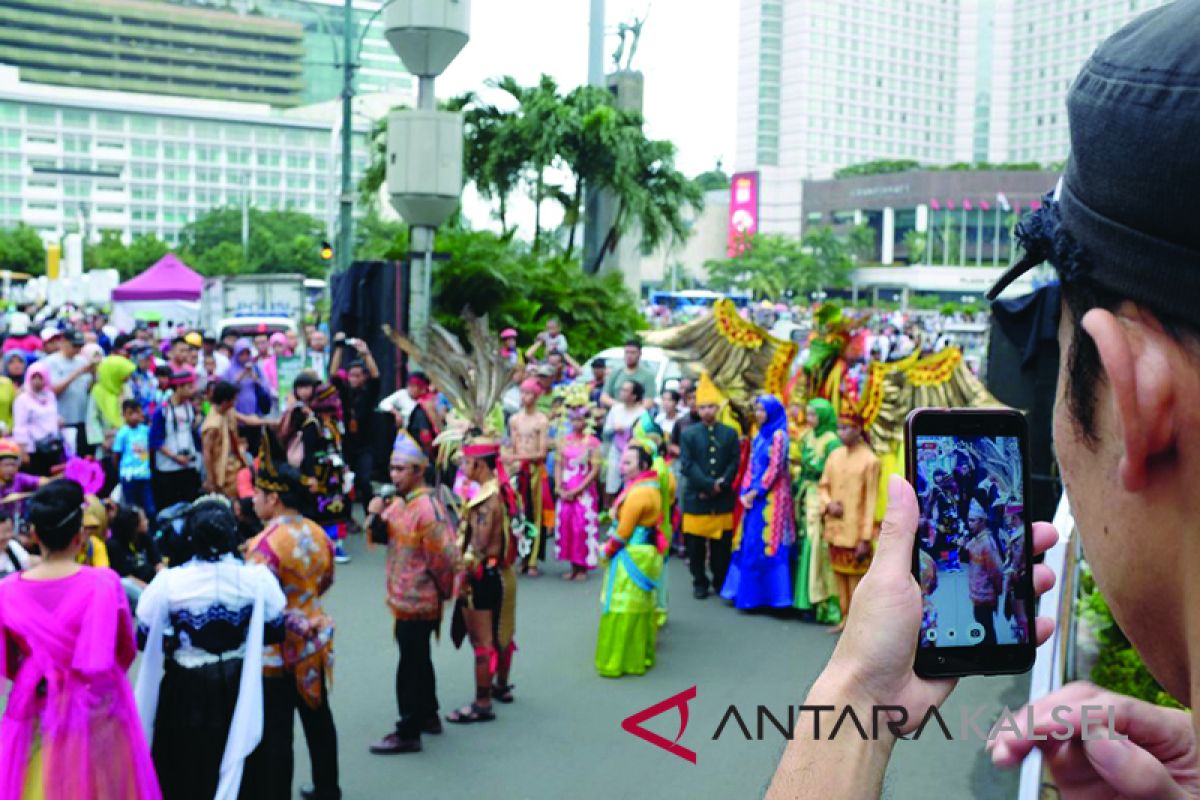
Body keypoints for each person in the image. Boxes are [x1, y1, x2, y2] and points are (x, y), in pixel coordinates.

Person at [0, 479, 161, 798]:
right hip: (96, 714)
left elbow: (7, 664)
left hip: (37, 712)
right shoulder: (104, 583)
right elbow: (123, 651)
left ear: (34, 535)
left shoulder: (6, 592)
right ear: (80, 535)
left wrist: (44, 674)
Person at [135, 496, 286, 800]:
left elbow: (145, 635)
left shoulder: (169, 583)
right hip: (242, 684)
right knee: (247, 764)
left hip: (186, 688)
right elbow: (275, 629)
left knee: (187, 766)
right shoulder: (256, 578)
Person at [244, 445, 340, 800]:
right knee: (319, 719)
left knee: (278, 732)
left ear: (274, 498)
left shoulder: (264, 544)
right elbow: (326, 579)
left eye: (258, 493)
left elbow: (258, 602)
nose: (253, 499)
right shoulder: (318, 533)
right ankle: (328, 787)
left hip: (276, 652)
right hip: (314, 642)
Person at [367, 432, 458, 755]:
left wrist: (442, 591)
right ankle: (429, 714)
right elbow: (379, 534)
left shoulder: (427, 509)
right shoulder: (400, 503)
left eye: (400, 469)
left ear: (419, 471)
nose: (394, 475)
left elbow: (446, 558)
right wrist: (375, 511)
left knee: (410, 664)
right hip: (403, 597)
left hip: (419, 600)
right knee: (419, 659)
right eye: (392, 469)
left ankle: (408, 729)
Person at [447, 437, 519, 722]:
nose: (463, 467)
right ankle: (500, 686)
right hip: (502, 572)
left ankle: (482, 702)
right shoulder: (502, 490)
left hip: (482, 574)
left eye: (465, 462)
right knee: (503, 631)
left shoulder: (486, 500)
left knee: (482, 640)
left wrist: (456, 568)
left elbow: (478, 544)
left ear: (478, 463)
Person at [595, 443, 669, 678]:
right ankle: (640, 655)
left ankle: (618, 660)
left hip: (632, 554)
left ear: (643, 465)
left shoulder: (639, 493)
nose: (621, 466)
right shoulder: (649, 486)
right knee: (640, 609)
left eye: (627, 463)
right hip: (645, 552)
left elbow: (622, 533)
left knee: (622, 608)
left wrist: (605, 552)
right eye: (622, 461)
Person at [721, 395, 795, 609]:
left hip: (773, 500)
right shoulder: (759, 435)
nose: (759, 414)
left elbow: (775, 469)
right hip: (753, 497)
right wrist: (745, 491)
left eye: (763, 410)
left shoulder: (779, 435)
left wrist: (756, 492)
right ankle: (747, 594)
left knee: (770, 543)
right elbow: (752, 466)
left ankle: (774, 598)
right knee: (750, 541)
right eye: (758, 410)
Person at [678, 372, 740, 599]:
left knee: (721, 547)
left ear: (718, 408)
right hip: (697, 498)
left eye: (711, 407)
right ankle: (699, 581)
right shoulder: (689, 434)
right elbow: (687, 465)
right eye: (702, 407)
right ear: (696, 409)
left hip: (722, 498)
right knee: (695, 546)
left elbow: (734, 461)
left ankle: (720, 579)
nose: (707, 412)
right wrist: (707, 485)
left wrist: (721, 483)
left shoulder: (730, 433)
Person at [818, 409, 880, 632]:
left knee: (857, 583)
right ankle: (845, 618)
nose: (842, 433)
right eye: (839, 428)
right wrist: (827, 504)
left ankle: (858, 625)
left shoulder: (870, 460)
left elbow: (872, 501)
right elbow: (822, 486)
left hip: (856, 533)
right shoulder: (834, 456)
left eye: (847, 428)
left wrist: (866, 537)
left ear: (858, 430)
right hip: (835, 529)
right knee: (839, 578)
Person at [792, 399, 843, 623]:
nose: (809, 419)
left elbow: (834, 474)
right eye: (808, 414)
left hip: (820, 499)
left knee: (816, 547)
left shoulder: (832, 442)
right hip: (805, 496)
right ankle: (804, 600)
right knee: (805, 544)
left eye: (814, 415)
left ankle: (819, 602)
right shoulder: (807, 436)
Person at [330, 335, 381, 520]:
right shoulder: (344, 392)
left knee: (364, 480)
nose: (354, 379)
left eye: (358, 375)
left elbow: (376, 376)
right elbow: (334, 374)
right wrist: (339, 348)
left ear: (363, 377)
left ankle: (371, 516)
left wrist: (365, 353)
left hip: (365, 444)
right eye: (351, 375)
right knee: (345, 482)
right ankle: (347, 517)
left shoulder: (368, 392)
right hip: (346, 443)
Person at [301, 383, 352, 564]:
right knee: (320, 510)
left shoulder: (333, 424)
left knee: (337, 508)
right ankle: (320, 544)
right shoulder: (311, 425)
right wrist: (311, 477)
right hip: (320, 476)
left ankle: (335, 543)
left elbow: (339, 447)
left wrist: (345, 468)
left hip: (335, 475)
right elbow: (308, 454)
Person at [506, 378, 552, 576]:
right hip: (518, 470)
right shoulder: (514, 419)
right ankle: (520, 555)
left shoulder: (541, 420)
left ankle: (532, 559)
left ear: (537, 395)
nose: (524, 397)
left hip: (534, 471)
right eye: (522, 393)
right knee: (518, 514)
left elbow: (542, 453)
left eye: (529, 393)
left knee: (534, 513)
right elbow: (513, 445)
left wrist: (516, 457)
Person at [554, 400, 602, 581]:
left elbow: (594, 471)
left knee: (582, 526)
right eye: (573, 420)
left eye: (580, 420)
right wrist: (559, 487)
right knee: (566, 525)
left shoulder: (592, 443)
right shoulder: (563, 442)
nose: (576, 424)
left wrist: (578, 489)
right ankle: (572, 565)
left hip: (584, 491)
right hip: (566, 488)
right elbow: (559, 465)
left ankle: (582, 567)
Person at [149, 370, 202, 512]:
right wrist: (175, 457)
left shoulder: (190, 407)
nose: (193, 390)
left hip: (188, 465)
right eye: (189, 387)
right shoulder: (162, 411)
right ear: (178, 388)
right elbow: (155, 440)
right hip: (169, 468)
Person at [43, 330, 95, 456]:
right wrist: (77, 373)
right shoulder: (50, 362)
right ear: (64, 342)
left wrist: (94, 375)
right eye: (74, 346)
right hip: (62, 419)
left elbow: (87, 389)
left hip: (82, 418)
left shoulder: (82, 361)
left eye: (80, 346)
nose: (77, 349)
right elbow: (53, 390)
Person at [107, 504, 162, 609]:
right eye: (144, 519)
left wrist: (163, 582)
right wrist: (151, 590)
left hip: (154, 584)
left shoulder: (145, 537)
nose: (147, 521)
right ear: (134, 525)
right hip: (136, 589)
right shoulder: (114, 546)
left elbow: (157, 562)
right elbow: (126, 577)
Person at [12, 361, 62, 476]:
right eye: (34, 377)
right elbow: (20, 426)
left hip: (52, 446)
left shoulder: (50, 396)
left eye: (40, 377)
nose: (37, 381)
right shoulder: (22, 399)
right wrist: (23, 451)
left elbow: (53, 415)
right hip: (33, 449)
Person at [202, 381, 249, 501]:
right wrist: (211, 480)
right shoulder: (212, 425)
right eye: (233, 400)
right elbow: (207, 453)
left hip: (234, 465)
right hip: (222, 472)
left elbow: (247, 420)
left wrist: (271, 422)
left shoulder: (228, 412)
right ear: (225, 402)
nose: (235, 403)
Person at [602, 380, 647, 499]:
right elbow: (606, 430)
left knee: (630, 482)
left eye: (626, 390)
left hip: (633, 452)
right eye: (622, 389)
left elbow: (644, 436)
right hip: (616, 449)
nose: (621, 392)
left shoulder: (642, 413)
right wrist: (614, 429)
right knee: (611, 481)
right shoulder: (616, 409)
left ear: (634, 396)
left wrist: (628, 431)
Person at [225, 339, 269, 457]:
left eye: (247, 353)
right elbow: (226, 389)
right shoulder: (230, 370)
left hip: (254, 416)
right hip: (237, 417)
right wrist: (241, 376)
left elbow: (265, 388)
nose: (245, 357)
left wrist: (256, 380)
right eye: (241, 354)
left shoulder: (256, 368)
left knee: (256, 448)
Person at [113, 399, 155, 518]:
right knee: (131, 507)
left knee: (149, 508)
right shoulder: (122, 433)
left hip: (144, 474)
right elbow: (116, 455)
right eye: (131, 413)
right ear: (124, 415)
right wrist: (121, 471)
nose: (134, 417)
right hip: (129, 476)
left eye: (137, 412)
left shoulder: (145, 430)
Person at [600, 339, 657, 409]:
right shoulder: (616, 372)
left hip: (636, 417)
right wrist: (621, 407)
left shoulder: (648, 375)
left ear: (640, 354)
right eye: (627, 352)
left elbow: (648, 402)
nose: (629, 355)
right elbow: (604, 397)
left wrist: (632, 411)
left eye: (633, 353)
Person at [0, 508, 30, 578]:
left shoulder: (12, 545)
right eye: (3, 532)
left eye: (10, 530)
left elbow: (28, 561)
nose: (8, 535)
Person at [0, 351, 23, 433]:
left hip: (6, 434)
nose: (16, 365)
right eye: (11, 362)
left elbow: (14, 411)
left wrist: (9, 428)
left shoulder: (6, 383)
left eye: (20, 361)